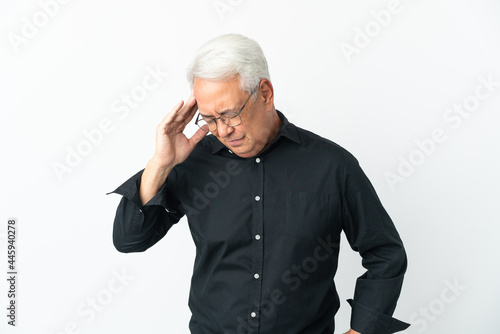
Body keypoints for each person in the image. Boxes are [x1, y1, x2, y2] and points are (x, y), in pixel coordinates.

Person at [109, 34, 410, 334]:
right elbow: (130, 240)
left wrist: (362, 331)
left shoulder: (331, 165)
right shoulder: (189, 163)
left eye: (230, 114)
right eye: (209, 119)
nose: (223, 130)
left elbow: (384, 253)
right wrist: (160, 164)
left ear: (265, 93)